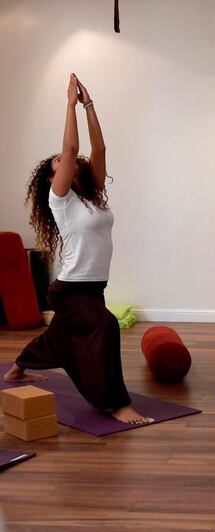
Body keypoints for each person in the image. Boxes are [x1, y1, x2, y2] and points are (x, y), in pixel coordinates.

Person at [6, 74, 149, 424]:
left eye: (66, 160)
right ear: (53, 177)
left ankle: (18, 367)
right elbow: (71, 149)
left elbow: (98, 150)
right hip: (69, 291)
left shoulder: (92, 196)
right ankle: (116, 403)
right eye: (59, 162)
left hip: (93, 287)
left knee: (59, 339)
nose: (68, 159)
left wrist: (89, 104)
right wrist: (68, 104)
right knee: (105, 325)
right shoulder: (62, 201)